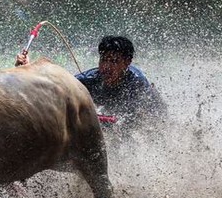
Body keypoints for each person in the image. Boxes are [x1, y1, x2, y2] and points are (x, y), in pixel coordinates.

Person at [16, 35, 167, 130]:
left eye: (114, 61)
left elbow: (135, 122)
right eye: (104, 60)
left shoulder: (137, 84)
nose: (106, 67)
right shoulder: (89, 79)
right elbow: (57, 87)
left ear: (127, 63)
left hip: (148, 117)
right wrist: (27, 69)